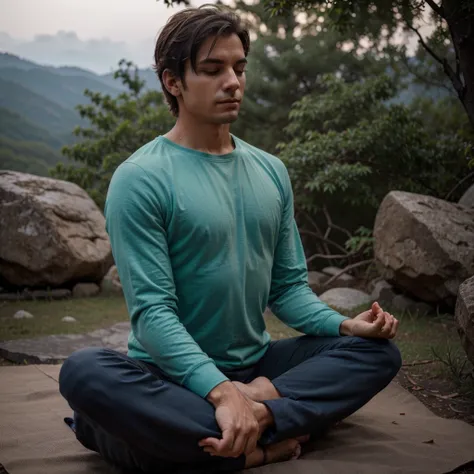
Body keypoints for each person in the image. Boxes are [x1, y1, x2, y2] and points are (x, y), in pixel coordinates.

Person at [59, 5, 402, 473]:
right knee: (83, 372)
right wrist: (217, 390)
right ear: (172, 81)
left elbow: (288, 290)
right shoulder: (141, 179)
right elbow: (153, 314)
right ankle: (260, 436)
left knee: (376, 353)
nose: (233, 82)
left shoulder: (271, 171)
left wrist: (345, 326)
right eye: (213, 69)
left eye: (239, 68)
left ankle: (243, 420)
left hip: (259, 368)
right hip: (170, 375)